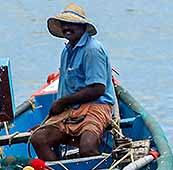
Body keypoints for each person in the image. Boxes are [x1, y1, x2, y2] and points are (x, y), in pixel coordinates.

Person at [31, 4, 116, 161]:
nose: (67, 28)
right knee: (38, 139)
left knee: (87, 148)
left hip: (97, 105)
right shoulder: (66, 51)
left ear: (82, 26)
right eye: (64, 24)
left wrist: (62, 102)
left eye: (72, 24)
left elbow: (98, 89)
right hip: (71, 109)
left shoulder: (93, 50)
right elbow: (65, 87)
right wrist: (53, 116)